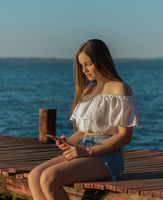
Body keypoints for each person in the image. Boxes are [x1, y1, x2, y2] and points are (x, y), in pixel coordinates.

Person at [28, 39, 140, 200]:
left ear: (102, 60)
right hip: (84, 150)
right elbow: (83, 132)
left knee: (49, 178)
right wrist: (68, 142)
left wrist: (87, 151)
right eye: (81, 65)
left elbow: (125, 136)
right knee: (34, 175)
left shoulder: (120, 88)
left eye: (88, 64)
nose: (84, 70)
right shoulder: (89, 90)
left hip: (107, 157)